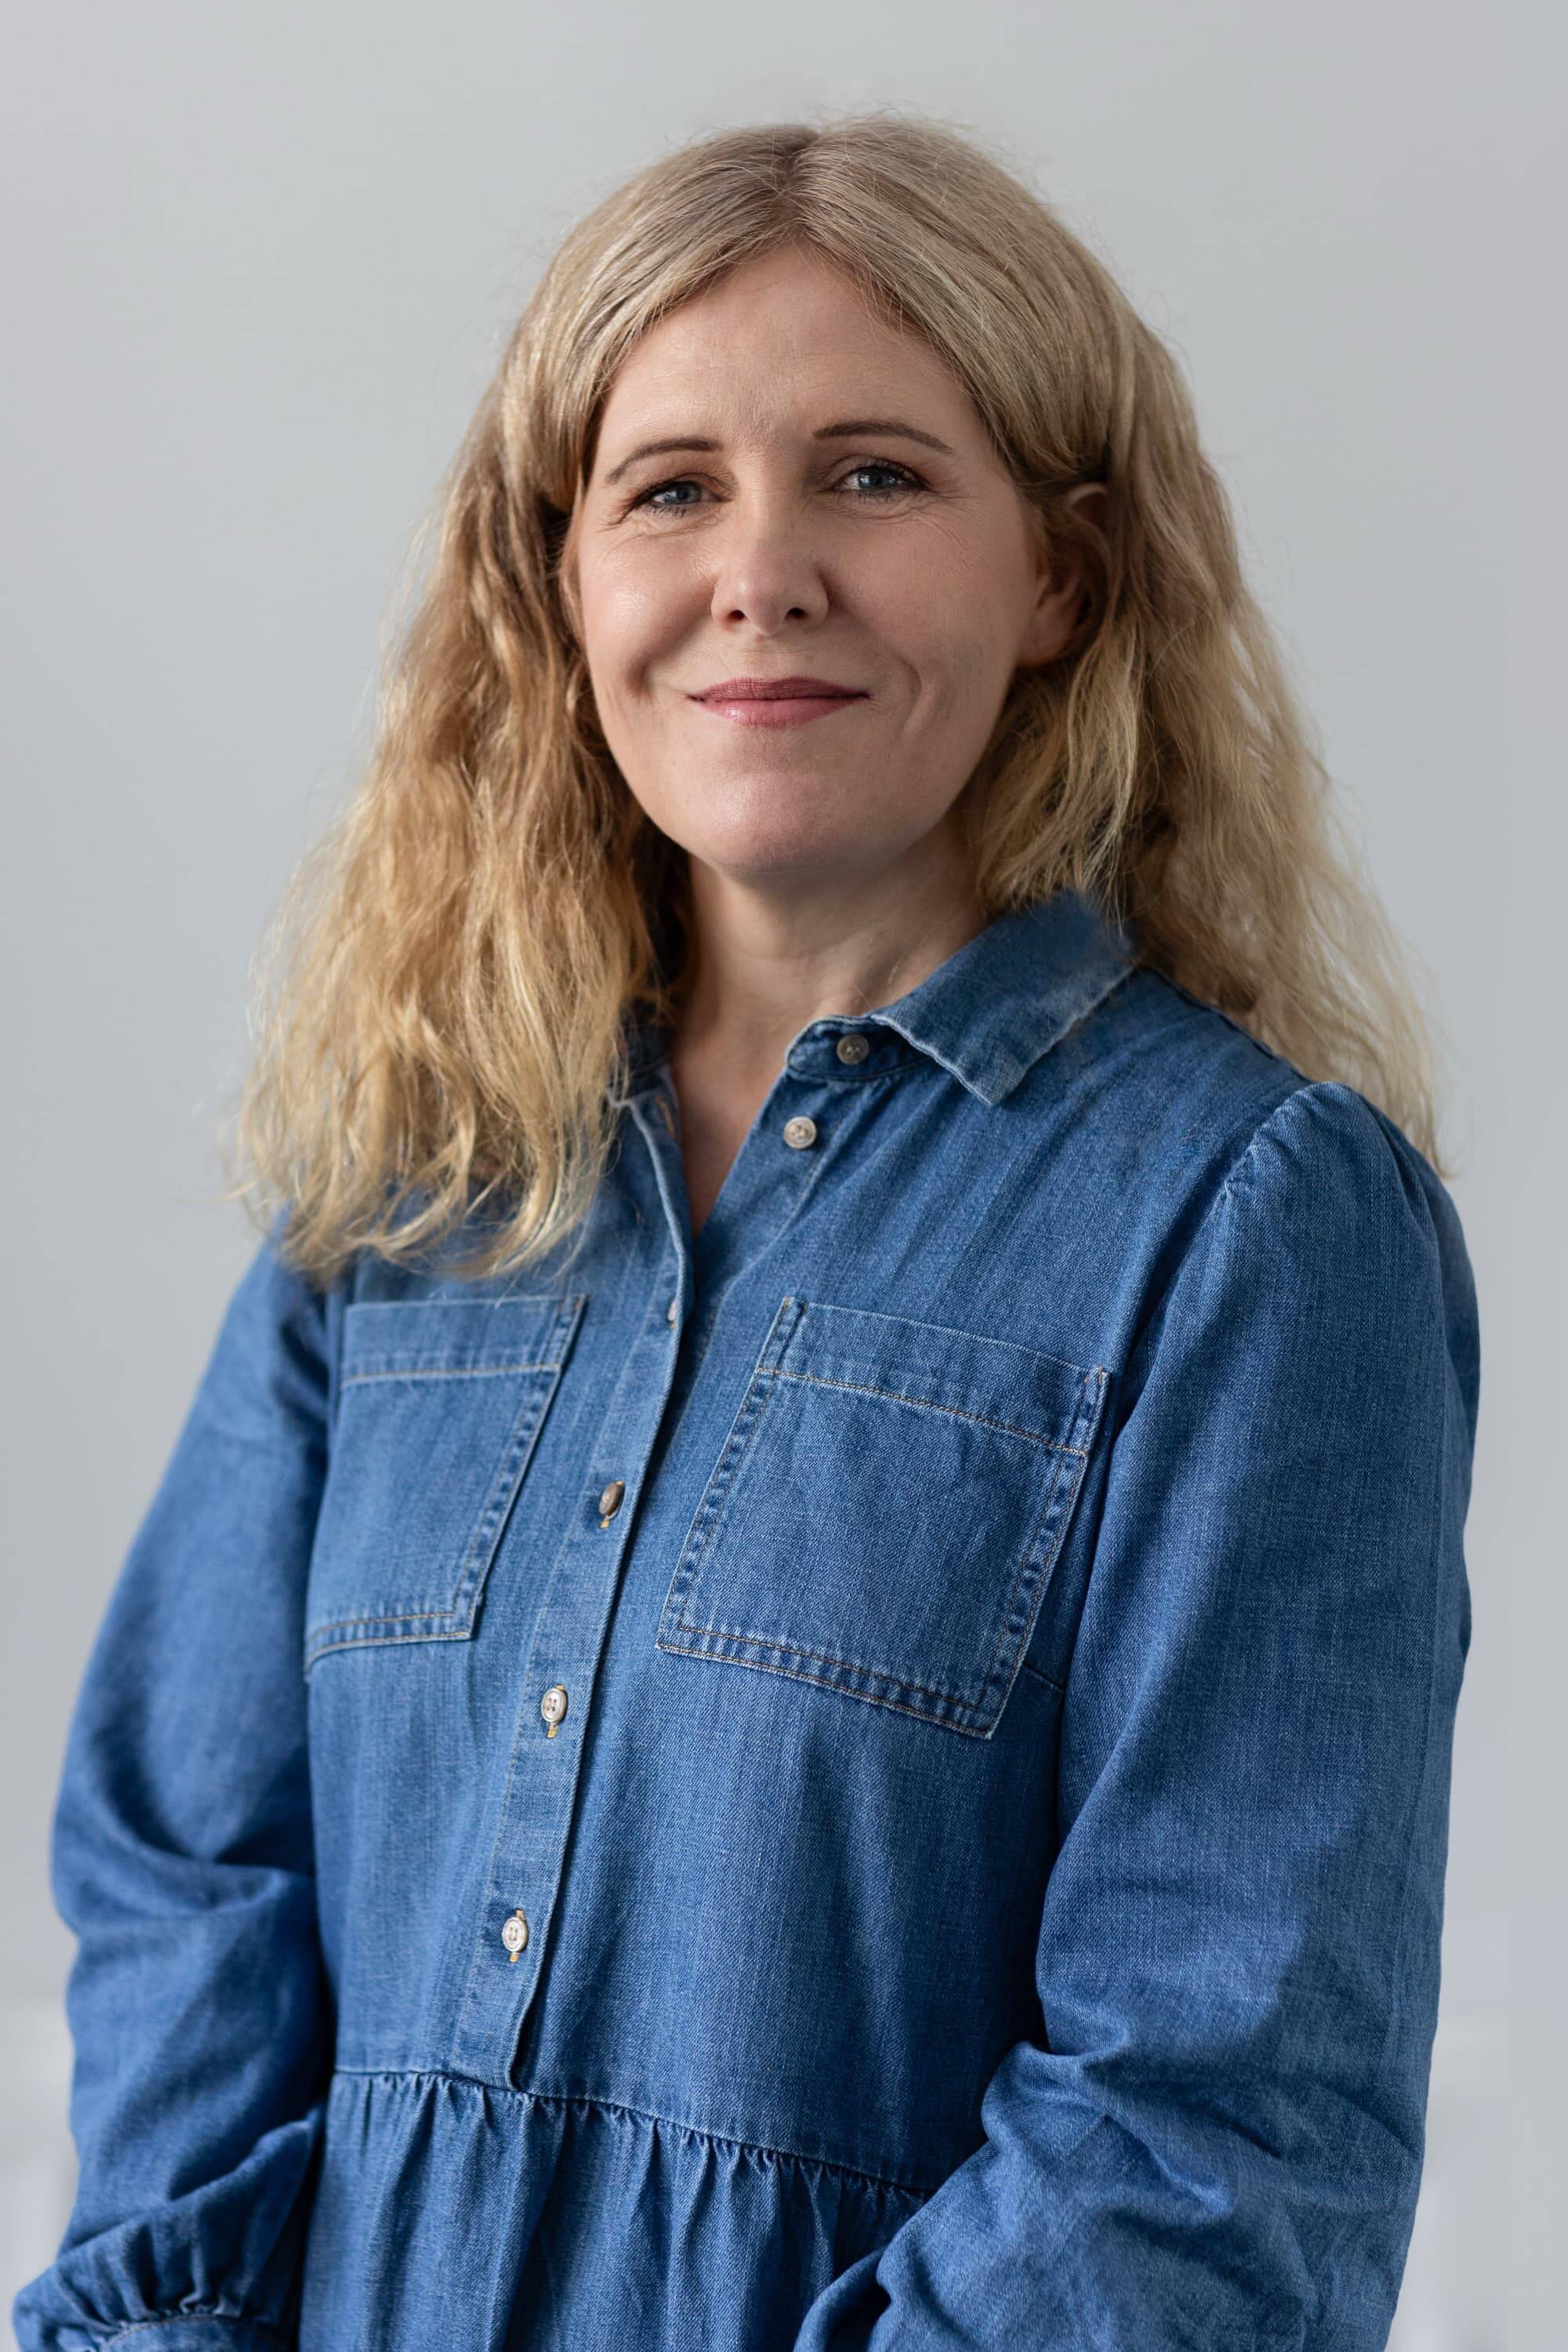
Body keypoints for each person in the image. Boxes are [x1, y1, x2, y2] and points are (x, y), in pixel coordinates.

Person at [14, 111, 1478, 2352]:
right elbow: (188, 1886)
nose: (761, 570)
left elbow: (1219, 2124)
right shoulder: (413, 1200)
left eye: (876, 475)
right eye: (670, 487)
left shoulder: (1251, 1223)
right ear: (564, 580)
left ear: (1063, 577)